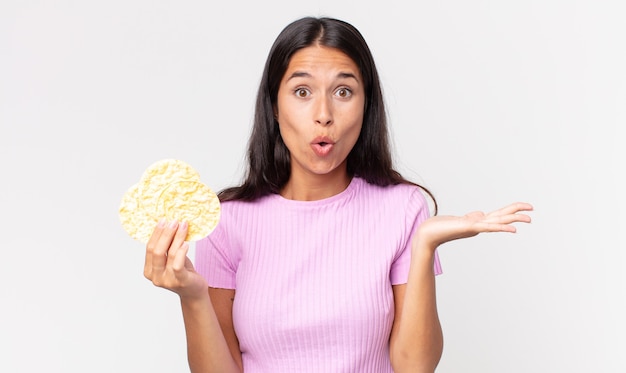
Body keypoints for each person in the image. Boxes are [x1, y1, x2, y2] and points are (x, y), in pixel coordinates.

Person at [143, 16, 533, 373]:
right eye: (302, 91)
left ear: (367, 106)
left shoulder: (402, 209)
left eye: (344, 91)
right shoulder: (227, 219)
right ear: (274, 107)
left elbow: (414, 367)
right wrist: (192, 297)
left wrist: (424, 245)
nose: (323, 114)